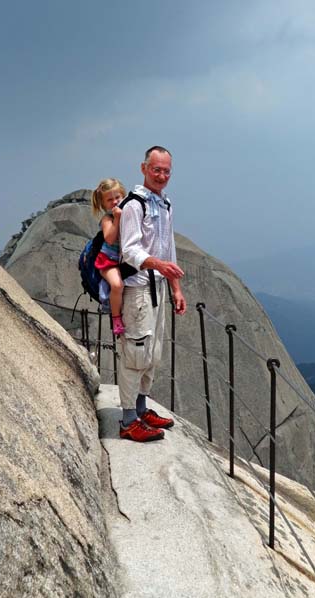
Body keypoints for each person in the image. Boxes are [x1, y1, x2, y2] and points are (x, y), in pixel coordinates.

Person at [118, 146, 186, 442]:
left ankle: (142, 408)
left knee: (154, 351)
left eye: (166, 171)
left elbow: (168, 247)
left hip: (158, 286)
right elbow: (129, 249)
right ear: (144, 168)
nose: (161, 175)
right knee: (136, 351)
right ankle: (128, 420)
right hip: (138, 289)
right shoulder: (135, 205)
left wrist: (176, 288)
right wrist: (156, 263)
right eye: (156, 169)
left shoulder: (165, 204)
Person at [91, 178, 127, 335]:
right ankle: (116, 318)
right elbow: (110, 238)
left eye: (117, 197)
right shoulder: (107, 219)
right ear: (103, 204)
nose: (114, 202)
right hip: (108, 261)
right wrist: (117, 218)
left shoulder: (130, 214)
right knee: (117, 285)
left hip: (124, 260)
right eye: (109, 199)